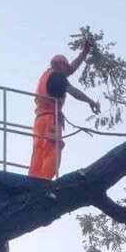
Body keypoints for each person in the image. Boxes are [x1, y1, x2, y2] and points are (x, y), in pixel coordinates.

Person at [28, 42, 100, 180]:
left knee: (38, 150)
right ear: (59, 65)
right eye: (65, 67)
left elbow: (71, 69)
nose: (68, 71)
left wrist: (83, 53)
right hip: (51, 119)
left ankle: (33, 179)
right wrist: (90, 101)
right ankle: (44, 182)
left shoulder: (47, 75)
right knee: (53, 150)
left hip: (39, 120)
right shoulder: (57, 76)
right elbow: (73, 91)